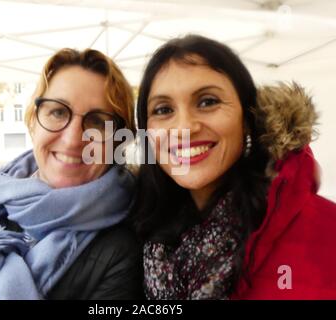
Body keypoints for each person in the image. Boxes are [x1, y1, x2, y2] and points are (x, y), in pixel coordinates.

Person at [131, 34, 336, 299]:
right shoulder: (139, 233)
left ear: (247, 119)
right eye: (163, 109)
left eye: (207, 102)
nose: (183, 127)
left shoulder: (324, 230)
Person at [0, 48, 143, 300]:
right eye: (58, 112)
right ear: (33, 120)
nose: (73, 139)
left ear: (119, 143)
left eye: (96, 121)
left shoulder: (122, 249)